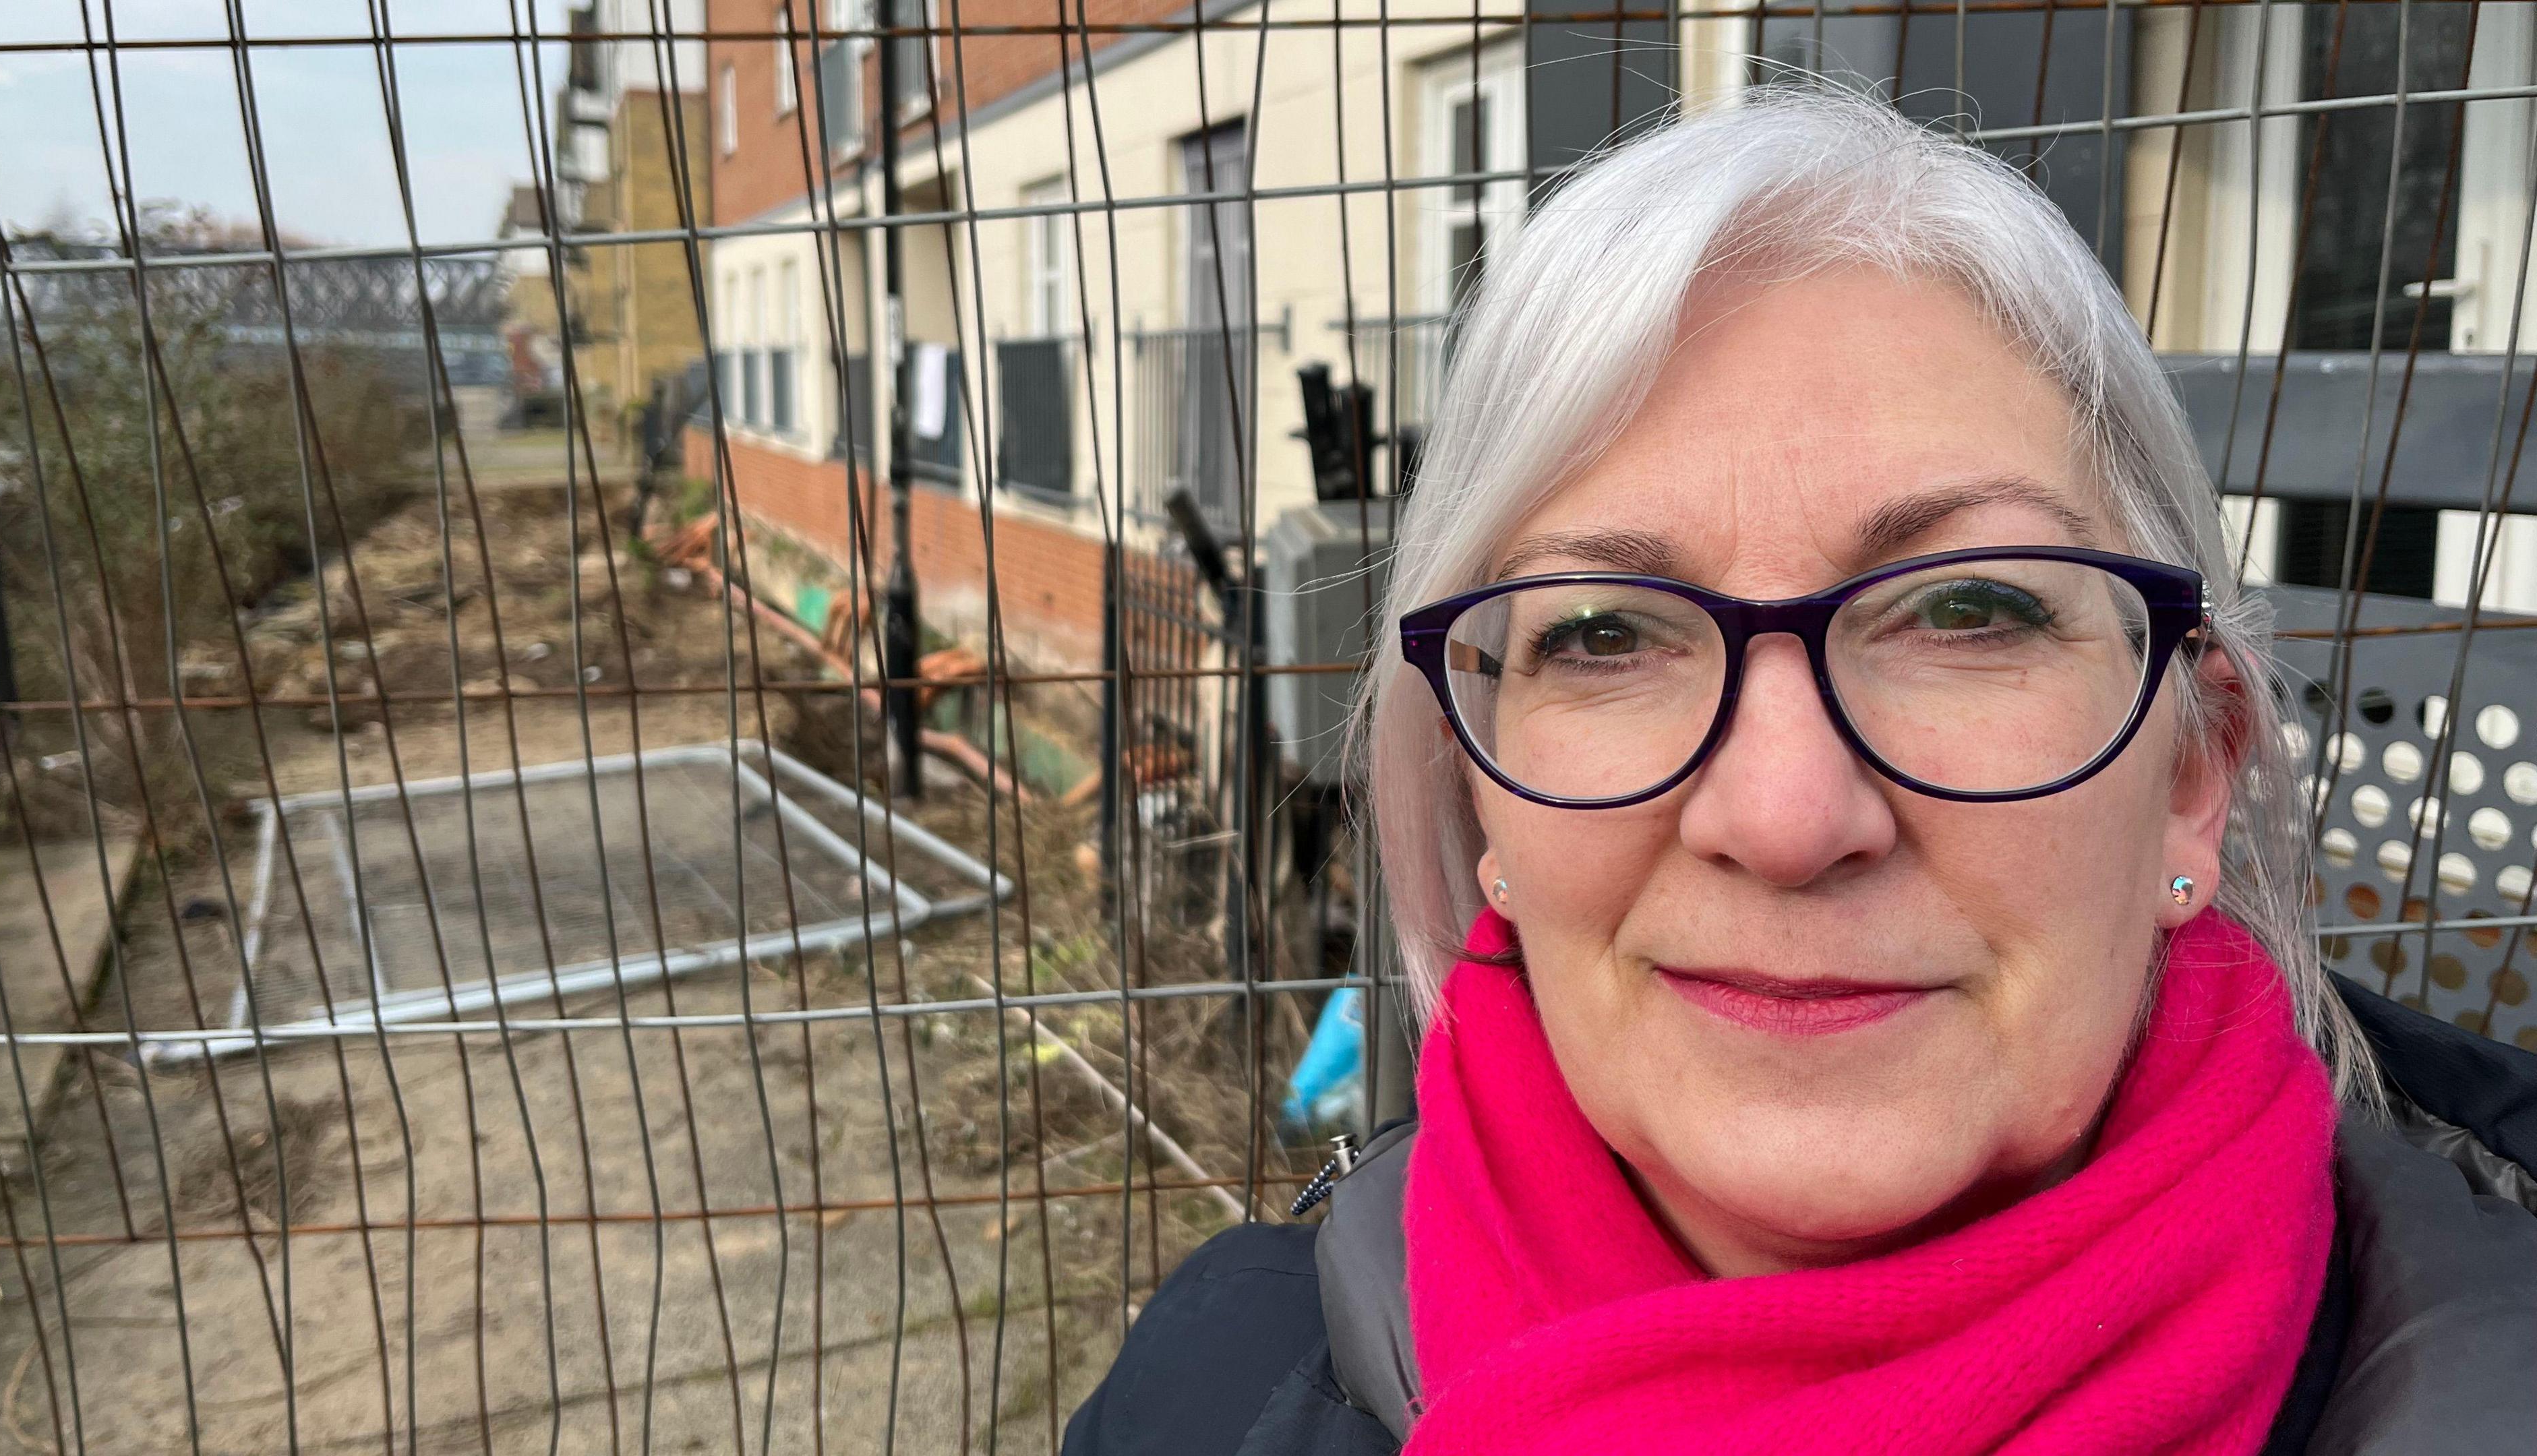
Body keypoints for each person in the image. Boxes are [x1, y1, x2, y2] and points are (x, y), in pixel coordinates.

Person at [1061, 86, 2537, 1455]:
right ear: (1477, 790)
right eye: (1605, 634)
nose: (1784, 817)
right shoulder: (1218, 1397)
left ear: (2192, 773)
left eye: (1970, 610)